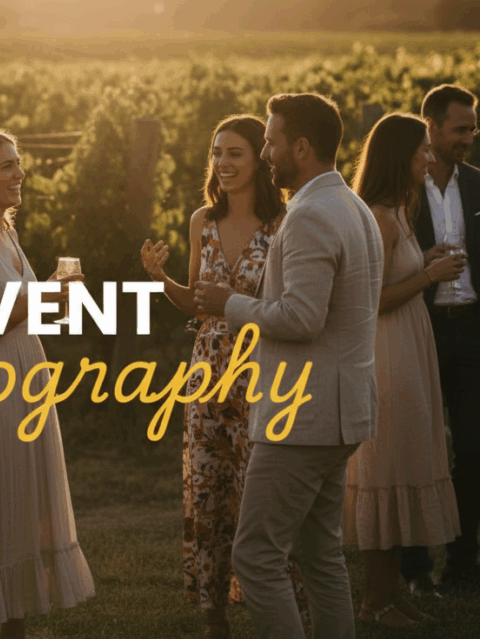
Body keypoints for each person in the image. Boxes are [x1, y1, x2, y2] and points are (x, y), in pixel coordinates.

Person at [195, 93, 384, 639]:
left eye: (271, 143)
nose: (265, 154)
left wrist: (228, 302)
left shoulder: (309, 216)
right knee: (320, 551)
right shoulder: (353, 207)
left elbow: (301, 318)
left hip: (302, 414)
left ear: (301, 148)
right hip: (342, 410)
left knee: (256, 554)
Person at [141, 115, 297, 638]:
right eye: (216, 153)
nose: (222, 163)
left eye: (235, 153)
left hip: (262, 370)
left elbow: (288, 305)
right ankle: (214, 616)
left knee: (261, 492)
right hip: (207, 373)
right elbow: (196, 301)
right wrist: (159, 279)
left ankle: (281, 603)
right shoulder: (201, 221)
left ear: (259, 159)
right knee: (207, 488)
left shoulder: (284, 223)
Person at [0, 128, 94, 639]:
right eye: (7, 166)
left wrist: (54, 303)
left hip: (28, 379)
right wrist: (40, 297)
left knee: (24, 519)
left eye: (18, 163)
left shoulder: (6, 233)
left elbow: (20, 316)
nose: (20, 173)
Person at [342, 113, 461, 626]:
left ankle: (392, 594)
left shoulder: (398, 211)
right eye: (422, 152)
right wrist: (430, 275)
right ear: (399, 157)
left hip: (409, 347)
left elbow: (396, 273)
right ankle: (375, 599)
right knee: (385, 468)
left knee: (403, 464)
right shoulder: (378, 217)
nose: (429, 159)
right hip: (387, 353)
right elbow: (370, 301)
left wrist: (425, 259)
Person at [401, 84, 480, 597]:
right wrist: (424, 266)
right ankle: (413, 568)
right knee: (417, 447)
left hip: (470, 329)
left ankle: (462, 560)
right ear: (430, 126)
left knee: (472, 447)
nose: (468, 138)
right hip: (421, 326)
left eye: (472, 129)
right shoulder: (405, 190)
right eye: (459, 129)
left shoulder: (477, 183)